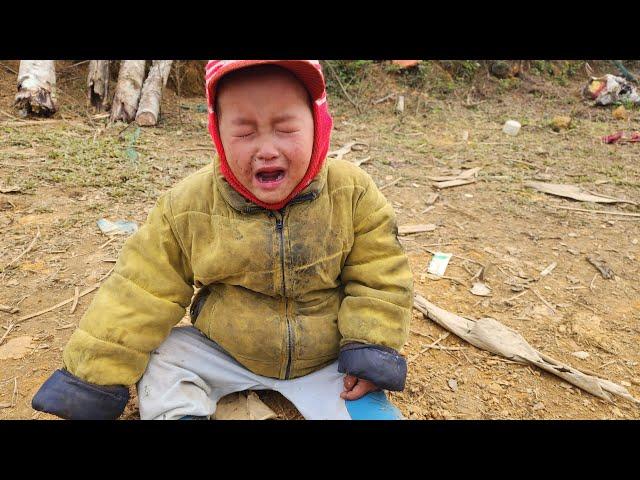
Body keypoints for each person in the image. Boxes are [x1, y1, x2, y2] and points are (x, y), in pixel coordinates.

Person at [32, 60, 413, 420]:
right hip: (224, 350)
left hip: (325, 358)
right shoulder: (188, 205)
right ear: (218, 134)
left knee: (358, 390)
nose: (266, 149)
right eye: (245, 132)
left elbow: (379, 271)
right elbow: (140, 289)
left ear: (318, 124)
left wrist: (370, 344)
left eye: (286, 128)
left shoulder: (352, 193)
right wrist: (94, 375)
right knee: (165, 355)